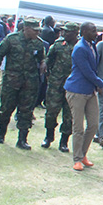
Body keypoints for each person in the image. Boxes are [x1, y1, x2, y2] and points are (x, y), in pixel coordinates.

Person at [0, 17, 46, 149]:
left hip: (29, 83)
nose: (37, 33)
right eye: (35, 30)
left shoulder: (38, 43)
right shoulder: (11, 39)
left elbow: (42, 58)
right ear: (26, 28)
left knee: (26, 110)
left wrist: (43, 63)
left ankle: (22, 140)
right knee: (6, 108)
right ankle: (1, 134)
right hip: (12, 80)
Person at [63, 22, 103, 170]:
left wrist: (97, 85)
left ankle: (82, 154)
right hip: (77, 91)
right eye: (93, 31)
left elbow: (93, 69)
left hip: (90, 91)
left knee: (93, 124)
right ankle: (77, 159)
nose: (96, 33)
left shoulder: (92, 45)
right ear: (84, 32)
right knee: (78, 127)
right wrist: (102, 84)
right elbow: (87, 71)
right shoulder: (80, 48)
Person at [41, 22, 79, 152]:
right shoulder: (57, 45)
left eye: (67, 31)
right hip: (55, 84)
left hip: (72, 86)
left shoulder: (81, 47)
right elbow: (48, 61)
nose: (64, 33)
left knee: (69, 115)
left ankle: (64, 141)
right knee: (51, 112)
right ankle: (48, 137)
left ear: (75, 33)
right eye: (63, 31)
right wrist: (48, 75)